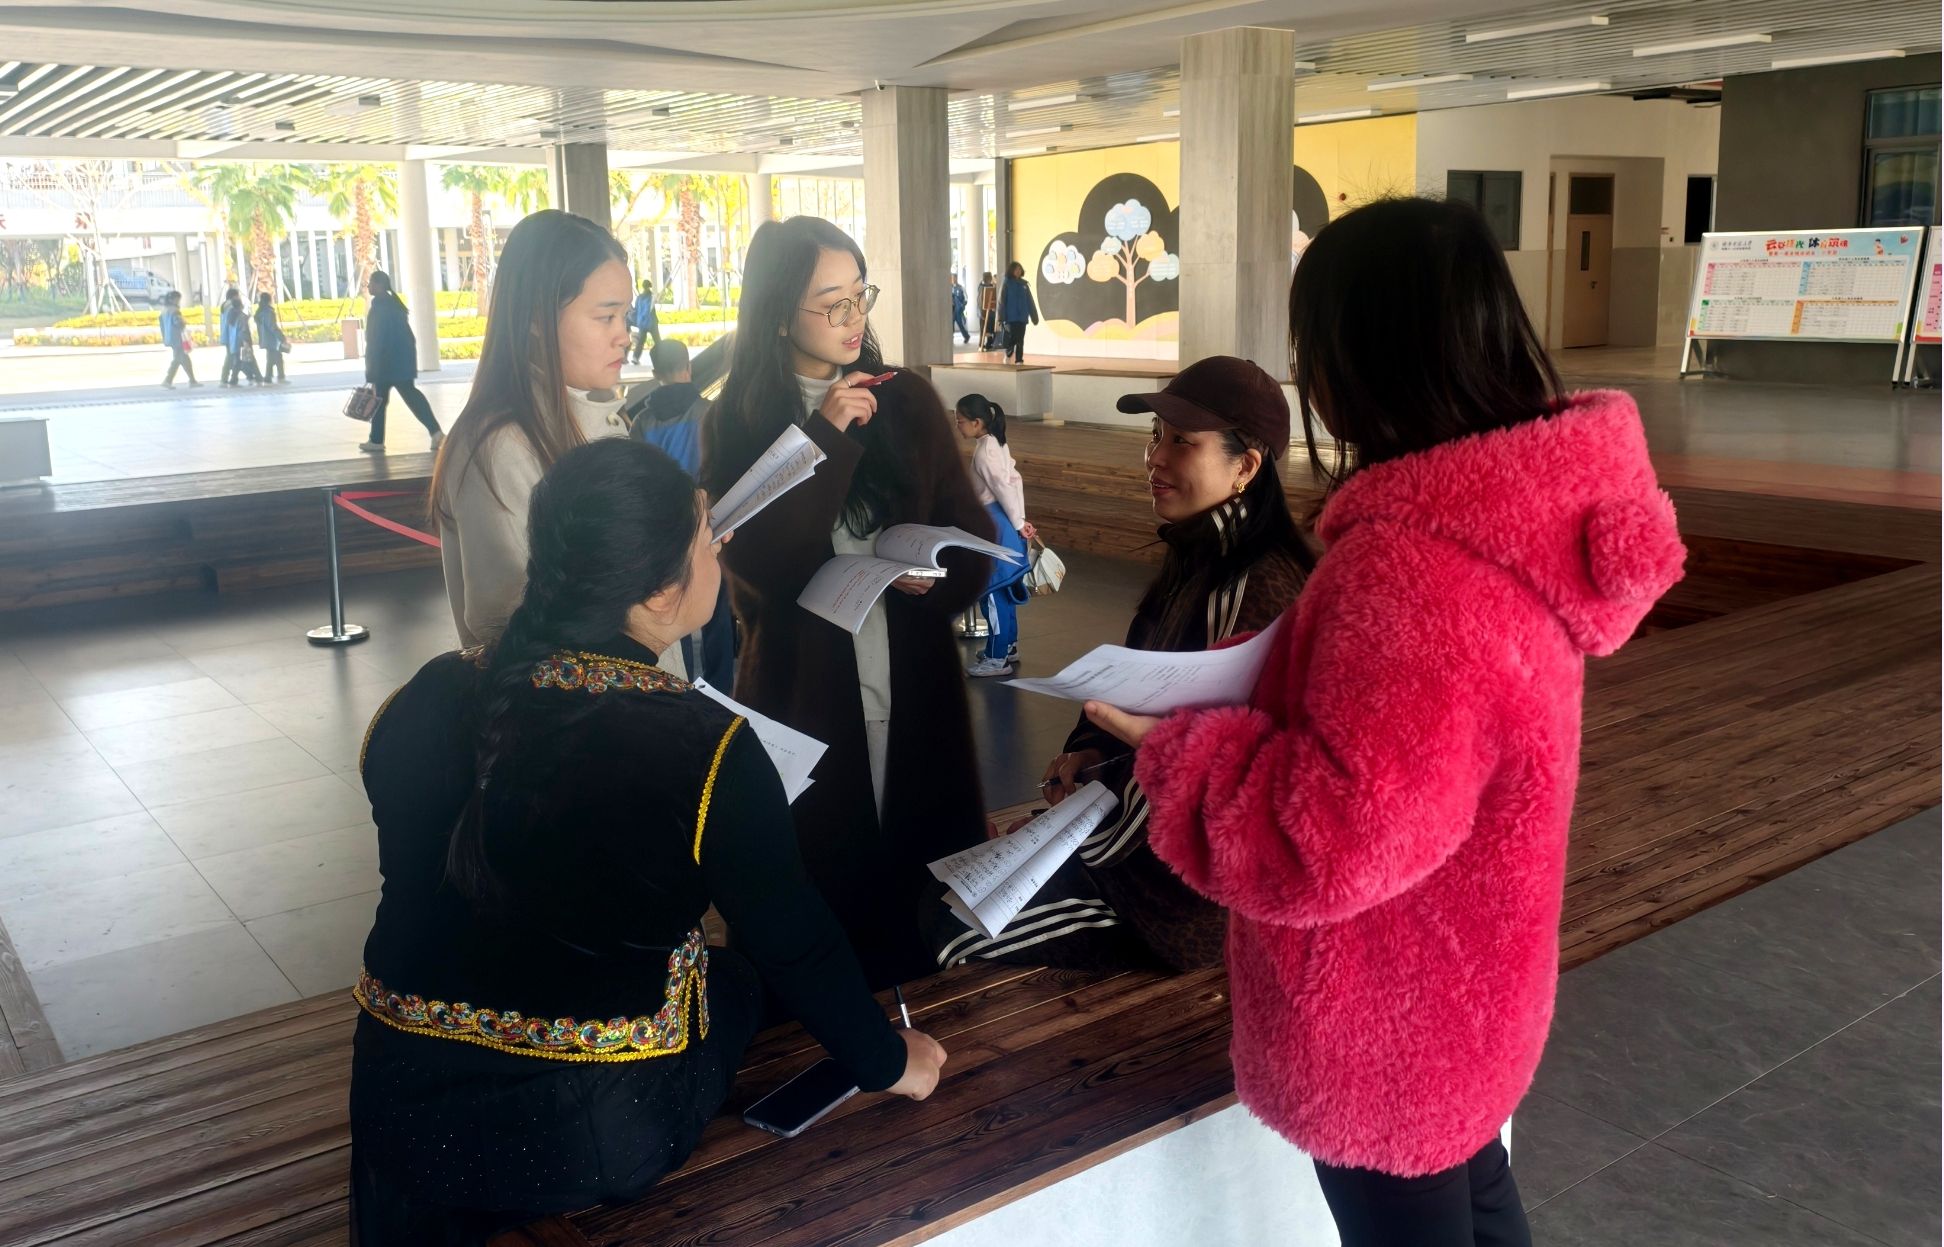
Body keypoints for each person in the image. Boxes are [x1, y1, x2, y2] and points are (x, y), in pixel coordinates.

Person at [1080, 198, 1688, 1247]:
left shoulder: (1411, 565)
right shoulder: (1521, 517)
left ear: (1364, 355)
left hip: (1387, 1018)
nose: (1308, 373)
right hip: (1473, 981)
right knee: (1479, 1200)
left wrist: (1178, 751)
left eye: (1313, 343)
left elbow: (1327, 841)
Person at [352, 437, 949, 1244]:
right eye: (708, 535)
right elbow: (796, 942)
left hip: (395, 1106)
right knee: (736, 976)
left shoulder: (423, 692)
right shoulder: (704, 745)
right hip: (584, 1128)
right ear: (664, 586)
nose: (719, 550)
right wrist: (890, 1060)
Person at [930, 357, 1310, 973]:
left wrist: (1077, 837)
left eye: (1182, 442)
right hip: (1127, 838)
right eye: (1156, 437)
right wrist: (1089, 752)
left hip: (1171, 900)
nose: (1155, 458)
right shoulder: (1200, 555)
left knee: (950, 932)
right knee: (939, 891)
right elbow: (1141, 693)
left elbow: (1215, 774)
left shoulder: (1254, 589)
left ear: (1245, 466)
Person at [700, 215, 994, 989]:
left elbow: (971, 534)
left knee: (920, 878)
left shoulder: (908, 401)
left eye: (859, 294)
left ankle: (923, 1025)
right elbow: (761, 566)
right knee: (818, 875)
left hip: (911, 671)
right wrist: (823, 437)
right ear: (777, 315)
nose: (852, 317)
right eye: (830, 302)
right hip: (804, 685)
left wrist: (936, 570)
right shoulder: (737, 418)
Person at [432, 212, 636, 652]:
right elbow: (511, 618)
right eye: (606, 317)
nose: (624, 335)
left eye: (626, 315)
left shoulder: (602, 421)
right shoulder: (499, 446)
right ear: (537, 318)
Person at [633, 337, 735, 688]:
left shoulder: (641, 422)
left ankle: (684, 683)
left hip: (665, 530)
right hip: (710, 523)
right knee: (716, 605)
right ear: (688, 367)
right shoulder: (710, 413)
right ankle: (720, 688)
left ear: (655, 374)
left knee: (675, 612)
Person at [952, 394, 1035, 677]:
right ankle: (1007, 647)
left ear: (977, 422)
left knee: (991, 593)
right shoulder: (996, 443)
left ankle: (997, 659)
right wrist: (1020, 520)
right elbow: (1014, 481)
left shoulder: (984, 452)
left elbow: (1002, 487)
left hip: (994, 526)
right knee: (1005, 592)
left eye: (960, 421)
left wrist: (1018, 522)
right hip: (1005, 523)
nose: (958, 426)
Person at [360, 270, 444, 453]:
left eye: (371, 283)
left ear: (380, 285)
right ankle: (435, 432)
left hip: (387, 363)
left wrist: (372, 368)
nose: (369, 286)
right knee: (405, 396)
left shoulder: (380, 307)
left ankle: (377, 440)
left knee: (383, 400)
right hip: (400, 360)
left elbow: (376, 339)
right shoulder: (393, 304)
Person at [219, 287, 261, 386]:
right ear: (234, 296)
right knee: (240, 359)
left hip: (230, 337)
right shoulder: (233, 309)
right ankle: (255, 377)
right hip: (235, 338)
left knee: (235, 359)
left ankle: (234, 379)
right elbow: (242, 328)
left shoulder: (225, 306)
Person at [999, 261, 1037, 365]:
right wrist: (1001, 317)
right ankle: (1008, 353)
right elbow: (1001, 301)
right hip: (1010, 317)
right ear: (1011, 270)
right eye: (1016, 269)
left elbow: (1030, 301)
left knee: (1020, 339)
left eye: (1020, 269)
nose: (1018, 271)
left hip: (1022, 317)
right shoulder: (1006, 283)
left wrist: (1034, 316)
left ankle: (1019, 360)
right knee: (1013, 337)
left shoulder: (1024, 284)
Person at [159, 291, 199, 389]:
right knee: (178, 359)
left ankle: (192, 380)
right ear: (173, 299)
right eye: (177, 299)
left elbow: (162, 326)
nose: (178, 301)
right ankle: (167, 380)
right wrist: (183, 322)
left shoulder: (164, 310)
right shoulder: (175, 311)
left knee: (184, 359)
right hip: (178, 338)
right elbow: (179, 323)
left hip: (170, 338)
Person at [254, 292, 289, 384]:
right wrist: (281, 337)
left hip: (265, 339)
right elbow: (272, 326)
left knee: (271, 359)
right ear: (269, 300)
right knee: (278, 358)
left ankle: (268, 377)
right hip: (272, 339)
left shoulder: (260, 312)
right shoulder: (269, 312)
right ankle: (280, 377)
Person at [627, 278, 661, 364]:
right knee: (657, 341)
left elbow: (636, 310)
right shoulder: (652, 296)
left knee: (640, 341)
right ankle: (662, 356)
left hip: (642, 323)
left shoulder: (639, 298)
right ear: (650, 286)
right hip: (652, 322)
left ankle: (635, 357)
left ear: (643, 287)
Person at [977, 271, 1000, 349]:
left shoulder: (989, 286)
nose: (991, 279)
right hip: (984, 311)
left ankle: (988, 343)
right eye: (990, 278)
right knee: (984, 328)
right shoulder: (982, 287)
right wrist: (981, 313)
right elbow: (980, 301)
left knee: (989, 328)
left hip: (989, 311)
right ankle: (982, 344)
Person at [950, 273, 970, 345]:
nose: (953, 279)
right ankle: (951, 338)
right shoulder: (949, 287)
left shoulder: (961, 288)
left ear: (956, 278)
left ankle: (966, 336)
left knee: (960, 323)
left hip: (958, 309)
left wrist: (962, 306)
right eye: (952, 278)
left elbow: (966, 298)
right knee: (951, 323)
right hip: (951, 309)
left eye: (954, 278)